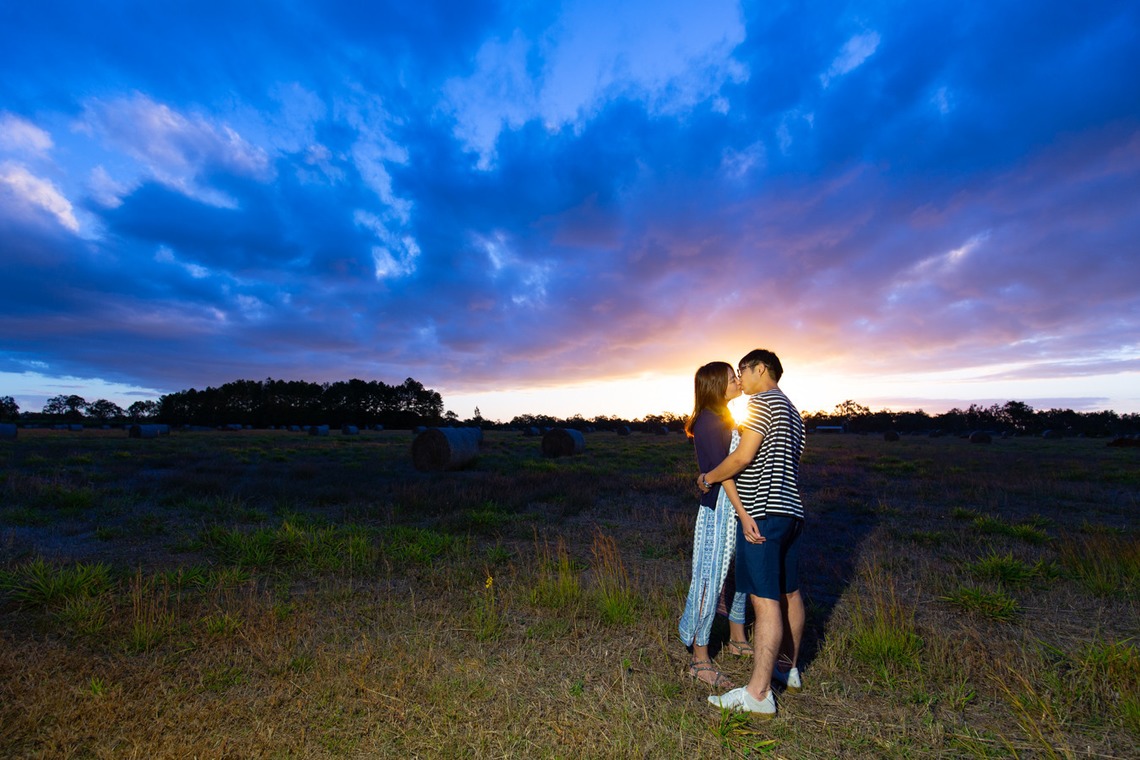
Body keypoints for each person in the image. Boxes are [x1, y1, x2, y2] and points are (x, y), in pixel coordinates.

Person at [698, 349, 806, 717]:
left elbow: (743, 457)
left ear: (761, 368)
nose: (740, 377)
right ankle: (787, 669)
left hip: (764, 511)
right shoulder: (793, 411)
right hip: (792, 512)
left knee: (764, 599)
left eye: (742, 369)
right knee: (789, 592)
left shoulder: (761, 402)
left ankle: (758, 694)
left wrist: (708, 477)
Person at [678, 361, 756, 689]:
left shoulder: (723, 417)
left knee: (736, 575)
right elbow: (722, 473)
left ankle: (737, 639)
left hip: (733, 508)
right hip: (719, 510)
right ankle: (699, 658)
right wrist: (742, 511)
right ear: (715, 385)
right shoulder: (710, 421)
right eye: (731, 377)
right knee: (708, 579)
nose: (738, 380)